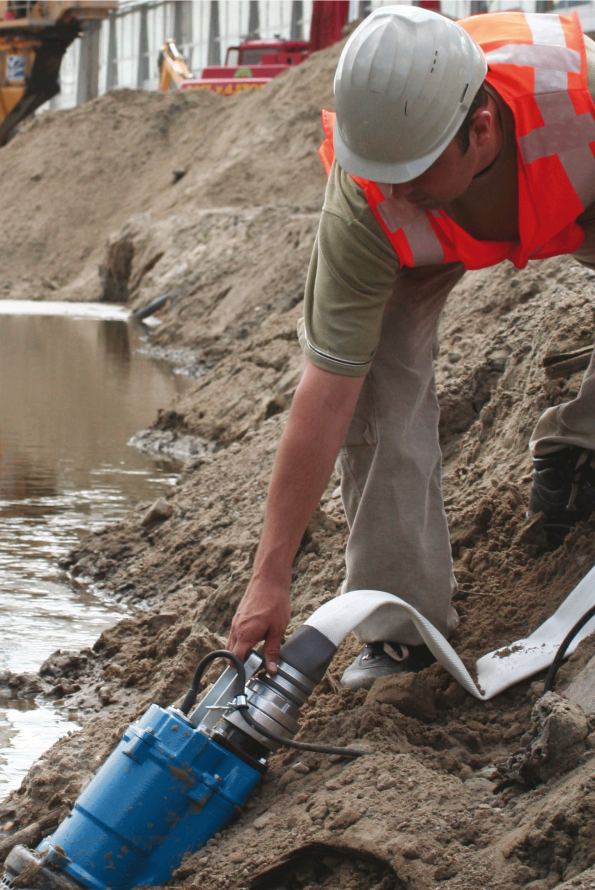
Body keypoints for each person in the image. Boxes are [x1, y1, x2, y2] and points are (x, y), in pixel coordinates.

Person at [227, 5, 595, 690]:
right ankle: (404, 629)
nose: (391, 191)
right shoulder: (367, 195)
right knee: (377, 390)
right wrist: (269, 576)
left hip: (578, 194)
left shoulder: (581, 106)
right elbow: (327, 394)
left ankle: (580, 440)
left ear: (479, 131)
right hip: (422, 256)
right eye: (379, 172)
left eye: (412, 175)